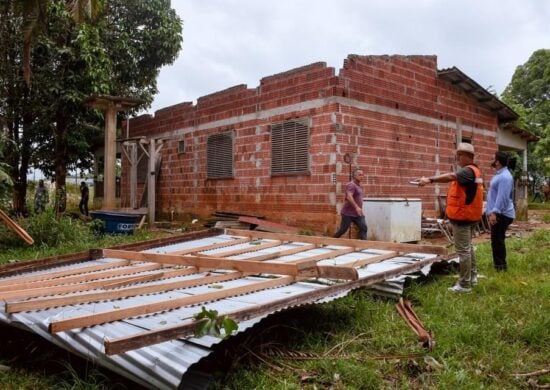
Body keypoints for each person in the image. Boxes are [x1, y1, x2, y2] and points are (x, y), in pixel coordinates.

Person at [417, 143, 483, 293]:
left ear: (468, 157)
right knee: (468, 247)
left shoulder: (467, 171)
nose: (457, 158)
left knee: (463, 250)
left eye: (460, 155)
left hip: (463, 218)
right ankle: (472, 277)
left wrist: (430, 179)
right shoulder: (474, 171)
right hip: (470, 216)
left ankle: (464, 284)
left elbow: (451, 176)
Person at [487, 152, 515, 272]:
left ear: (498, 161)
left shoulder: (505, 176)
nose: (493, 161)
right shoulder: (500, 174)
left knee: (497, 241)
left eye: (495, 159)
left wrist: (495, 213)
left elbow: (502, 197)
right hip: (499, 213)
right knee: (497, 240)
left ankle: (501, 268)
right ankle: (499, 266)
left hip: (501, 214)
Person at [334, 168, 368, 240]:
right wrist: (356, 207)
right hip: (348, 213)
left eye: (363, 175)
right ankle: (331, 241)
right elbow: (349, 196)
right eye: (360, 175)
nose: (362, 176)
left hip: (358, 213)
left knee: (364, 228)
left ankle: (363, 245)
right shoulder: (351, 185)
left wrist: (359, 209)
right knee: (343, 230)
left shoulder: (360, 186)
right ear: (354, 176)